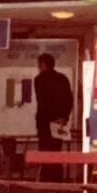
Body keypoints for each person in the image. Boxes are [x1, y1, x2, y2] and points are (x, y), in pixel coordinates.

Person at [34, 53, 73, 181]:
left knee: (45, 151)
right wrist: (64, 116)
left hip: (44, 121)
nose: (38, 68)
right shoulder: (63, 79)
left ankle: (45, 180)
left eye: (39, 65)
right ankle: (57, 181)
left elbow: (43, 101)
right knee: (56, 151)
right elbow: (69, 99)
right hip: (59, 121)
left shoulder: (39, 80)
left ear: (43, 65)